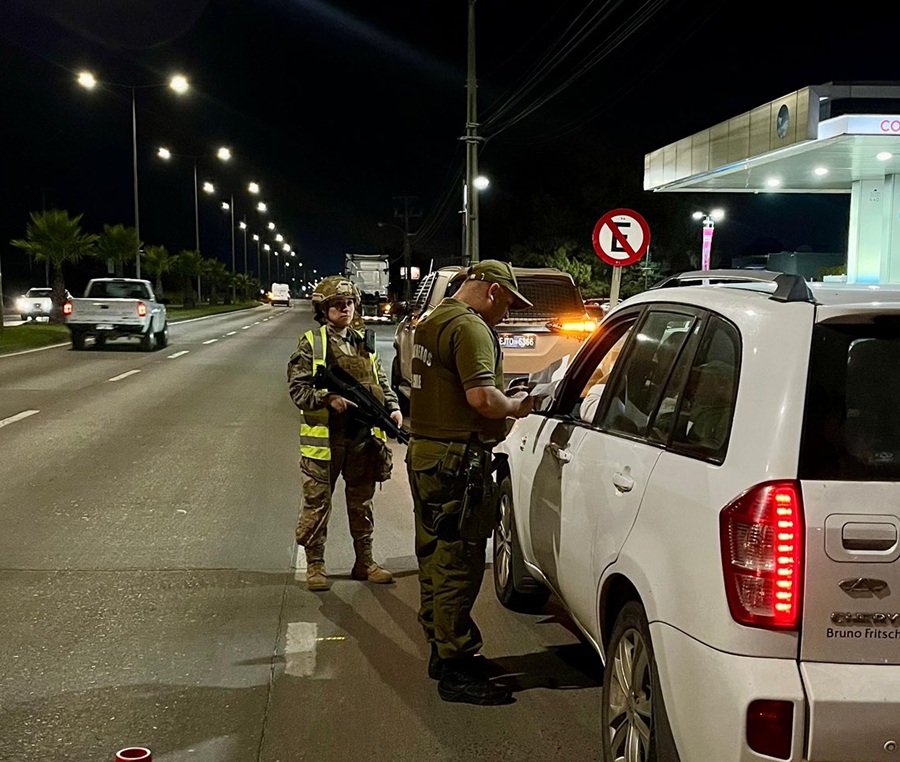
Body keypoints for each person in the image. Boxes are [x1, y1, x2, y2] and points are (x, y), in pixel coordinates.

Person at [406, 259, 534, 706]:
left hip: (428, 454)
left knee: (434, 554)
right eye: (509, 304)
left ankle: (441, 649)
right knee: (458, 562)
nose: (507, 314)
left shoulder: (432, 320)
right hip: (457, 460)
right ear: (493, 291)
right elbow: (482, 398)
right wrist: (518, 405)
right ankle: (457, 667)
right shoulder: (471, 327)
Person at [287, 275, 404, 592]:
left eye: (350, 303)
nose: (345, 308)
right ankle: (316, 566)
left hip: (362, 439)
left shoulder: (364, 342)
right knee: (318, 506)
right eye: (338, 304)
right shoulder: (313, 343)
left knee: (361, 503)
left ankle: (365, 562)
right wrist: (327, 399)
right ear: (323, 310)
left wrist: (393, 408)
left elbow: (379, 381)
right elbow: (297, 389)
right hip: (326, 442)